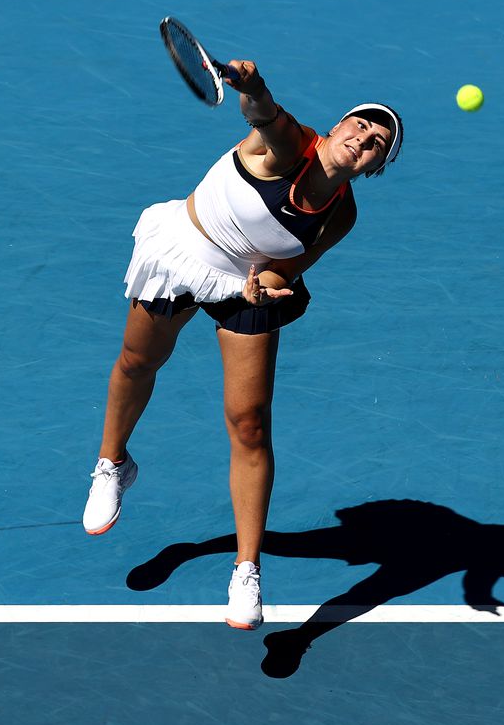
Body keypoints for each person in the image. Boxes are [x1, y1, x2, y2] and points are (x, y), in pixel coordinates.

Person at [81, 56, 403, 632]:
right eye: (360, 125)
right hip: (184, 255)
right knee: (138, 361)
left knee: (250, 424)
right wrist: (249, 84)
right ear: (334, 128)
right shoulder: (283, 144)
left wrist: (265, 290)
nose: (365, 138)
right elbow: (263, 109)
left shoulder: (341, 215)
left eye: (378, 143)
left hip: (245, 283)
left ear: (374, 168)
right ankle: (113, 464)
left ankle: (247, 570)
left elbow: (292, 264)